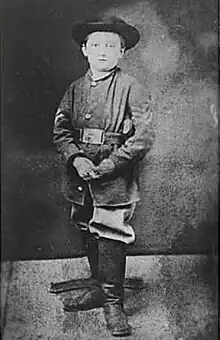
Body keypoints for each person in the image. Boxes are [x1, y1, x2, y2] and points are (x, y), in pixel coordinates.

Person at [53, 16, 155, 337]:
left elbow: (143, 137)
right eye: (95, 44)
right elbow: (61, 130)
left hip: (114, 176)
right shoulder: (75, 89)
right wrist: (76, 157)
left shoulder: (131, 87)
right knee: (85, 223)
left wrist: (109, 165)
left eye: (111, 46)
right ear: (84, 49)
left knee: (110, 229)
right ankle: (100, 285)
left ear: (122, 52)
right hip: (80, 176)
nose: (102, 51)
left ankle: (113, 301)